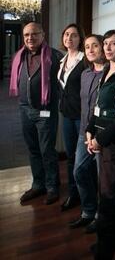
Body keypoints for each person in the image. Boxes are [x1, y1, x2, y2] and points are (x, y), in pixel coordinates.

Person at [85, 29, 115, 259]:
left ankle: (105, 248)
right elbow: (98, 105)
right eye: (105, 43)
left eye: (113, 44)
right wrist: (88, 130)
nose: (107, 48)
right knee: (111, 192)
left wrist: (99, 139)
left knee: (106, 195)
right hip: (100, 138)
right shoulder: (106, 69)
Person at [9, 22, 62, 205]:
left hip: (45, 111)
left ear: (43, 34)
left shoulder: (54, 56)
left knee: (47, 150)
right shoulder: (19, 56)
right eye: (26, 35)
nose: (30, 38)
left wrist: (54, 99)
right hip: (25, 109)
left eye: (34, 34)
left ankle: (52, 186)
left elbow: (64, 82)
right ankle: (38, 184)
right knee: (33, 149)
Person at [68, 34, 106, 231]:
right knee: (79, 171)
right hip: (84, 132)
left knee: (103, 180)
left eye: (95, 46)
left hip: (102, 136)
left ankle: (101, 217)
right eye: (87, 46)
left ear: (103, 48)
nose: (90, 50)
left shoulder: (110, 75)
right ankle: (88, 211)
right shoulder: (85, 74)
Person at [57, 23, 86, 211]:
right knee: (70, 156)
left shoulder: (85, 60)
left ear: (80, 39)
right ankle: (73, 194)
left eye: (74, 35)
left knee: (83, 160)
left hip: (82, 116)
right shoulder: (63, 60)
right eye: (66, 34)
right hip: (67, 115)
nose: (69, 38)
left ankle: (87, 199)